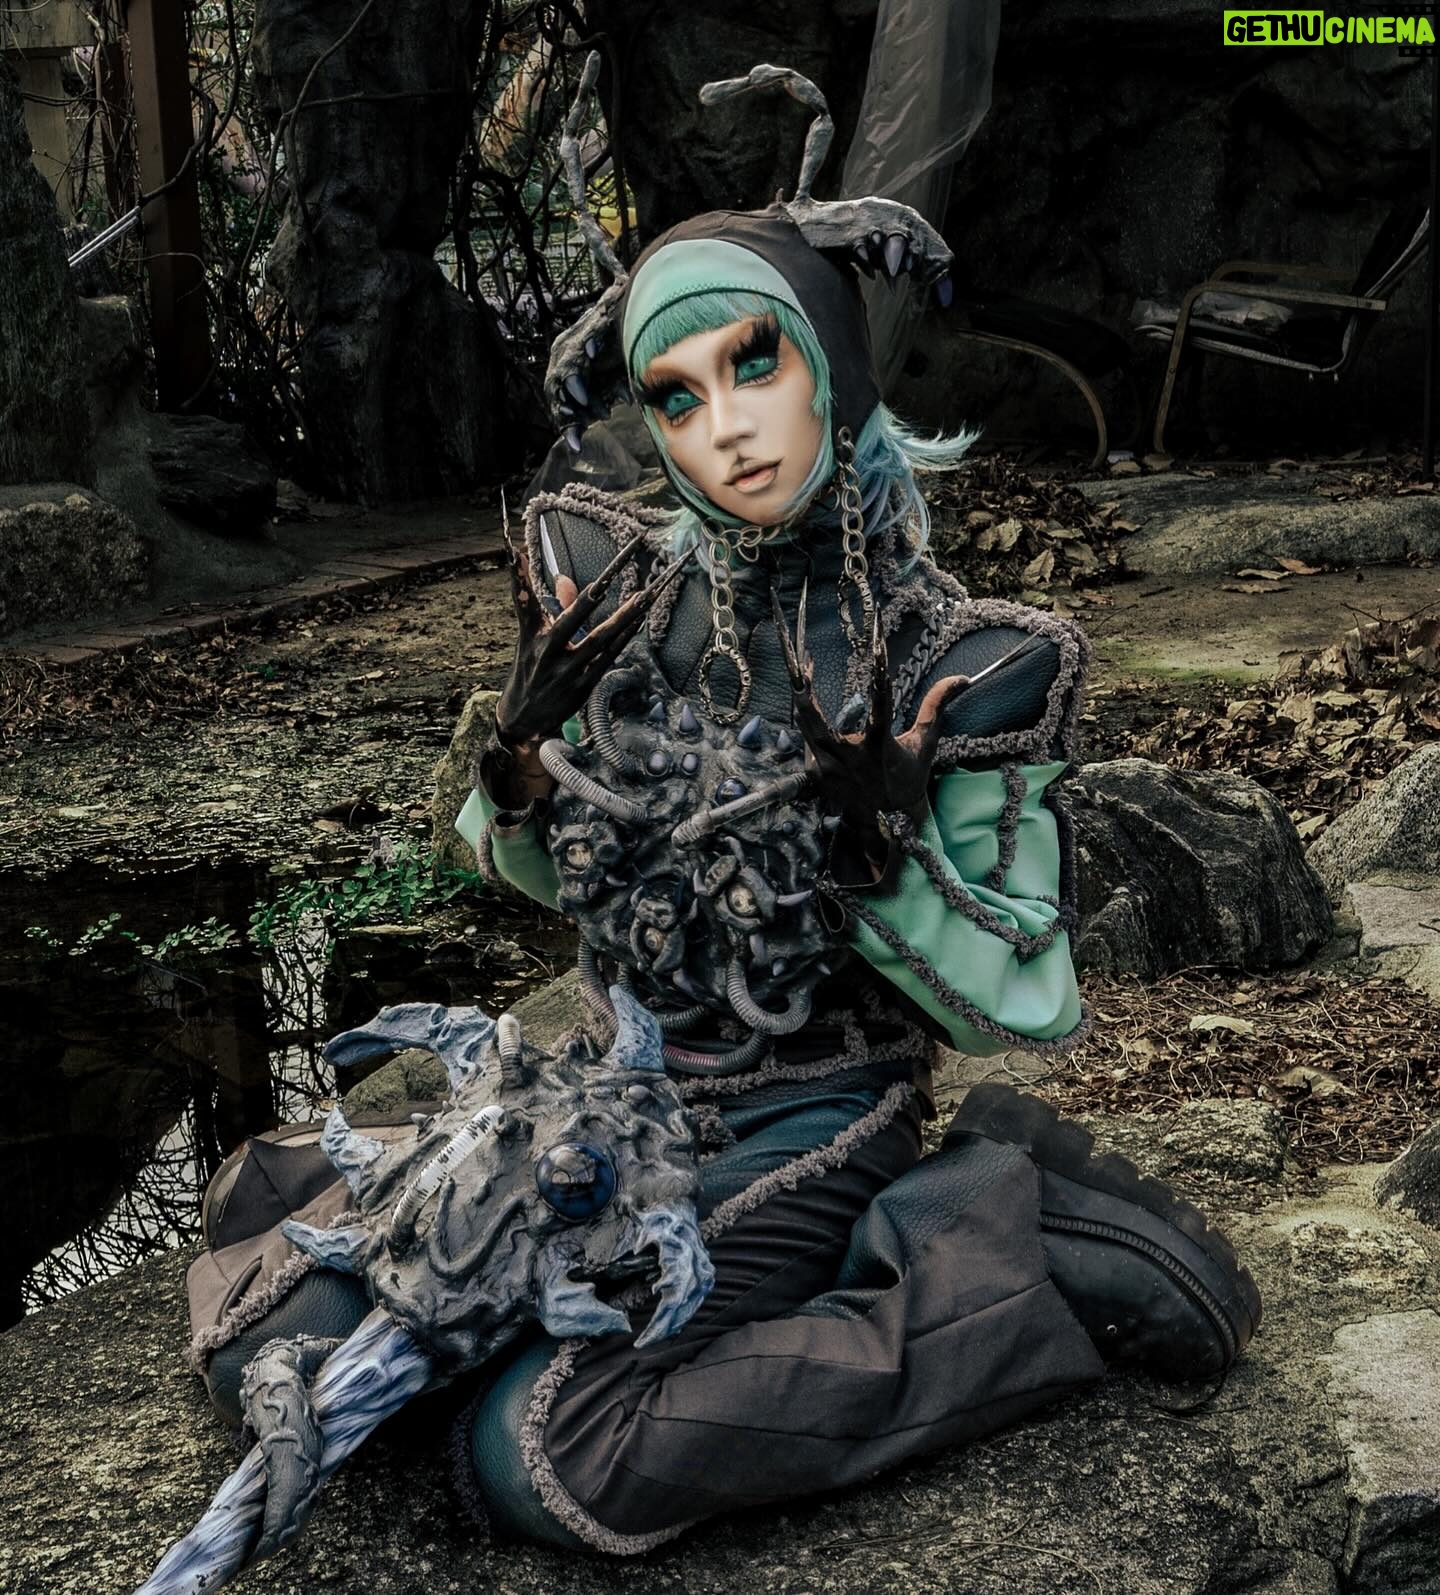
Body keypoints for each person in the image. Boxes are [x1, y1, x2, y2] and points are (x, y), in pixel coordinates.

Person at [185, 61, 1259, 1559]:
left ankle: (996, 1264)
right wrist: (517, 764)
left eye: (758, 365)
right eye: (677, 398)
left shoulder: (966, 662)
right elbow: (556, 878)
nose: (726, 430)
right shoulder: (619, 593)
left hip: (813, 1108)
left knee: (543, 1452)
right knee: (272, 1340)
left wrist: (877, 848)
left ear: (835, 366)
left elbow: (1025, 995)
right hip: (600, 1095)